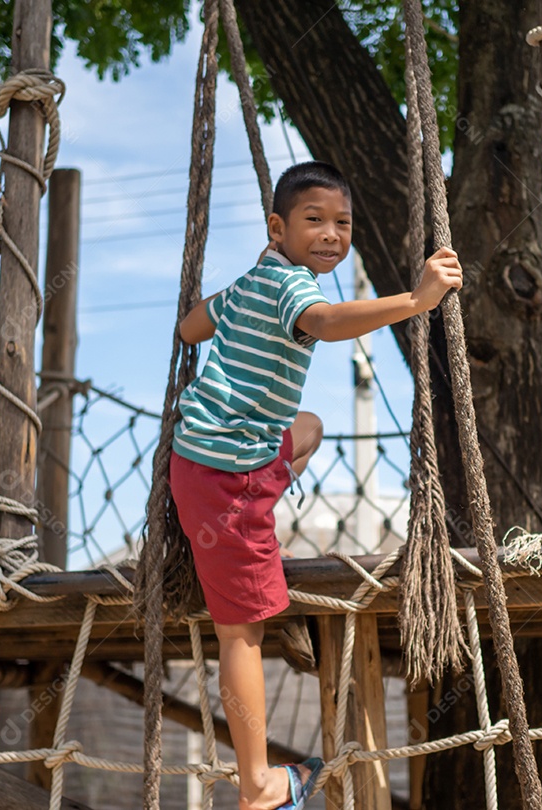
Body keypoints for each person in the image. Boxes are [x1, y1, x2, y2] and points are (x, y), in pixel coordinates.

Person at [171, 161, 463, 810]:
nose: (332, 234)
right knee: (239, 634)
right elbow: (327, 322)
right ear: (278, 227)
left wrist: (236, 301)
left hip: (198, 462)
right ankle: (258, 785)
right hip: (228, 476)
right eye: (314, 221)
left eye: (343, 224)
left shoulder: (254, 281)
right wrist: (416, 301)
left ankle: (258, 498)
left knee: (308, 426)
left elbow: (191, 326)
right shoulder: (293, 290)